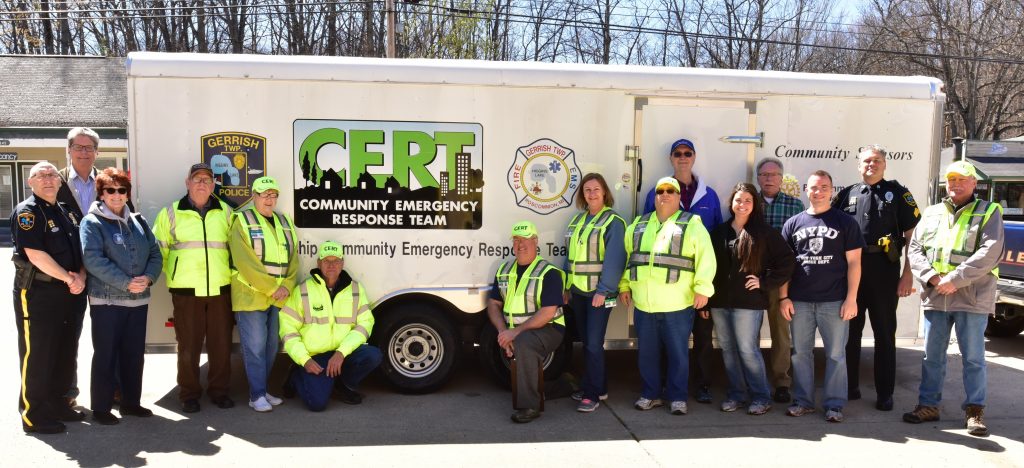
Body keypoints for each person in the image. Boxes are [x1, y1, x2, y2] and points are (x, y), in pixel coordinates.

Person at [903, 161, 1004, 437]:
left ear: (974, 183)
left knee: (973, 358)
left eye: (962, 179)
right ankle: (928, 405)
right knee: (931, 357)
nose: (955, 184)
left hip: (972, 297)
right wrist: (933, 278)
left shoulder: (989, 211)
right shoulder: (933, 212)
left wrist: (954, 280)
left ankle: (974, 411)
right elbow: (915, 248)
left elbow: (990, 251)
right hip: (936, 295)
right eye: (951, 180)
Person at [832, 145, 921, 411]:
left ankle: (885, 393)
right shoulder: (847, 194)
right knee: (850, 332)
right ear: (859, 165)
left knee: (884, 334)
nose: (871, 165)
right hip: (851, 274)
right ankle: (850, 387)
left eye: (877, 161)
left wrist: (908, 276)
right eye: (866, 161)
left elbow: (913, 238)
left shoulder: (898, 194)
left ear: (885, 165)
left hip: (884, 272)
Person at [622, 176, 716, 416]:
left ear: (678, 197)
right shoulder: (637, 225)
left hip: (677, 304)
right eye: (660, 191)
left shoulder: (692, 224)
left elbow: (706, 259)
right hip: (644, 304)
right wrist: (624, 285)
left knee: (678, 354)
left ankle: (677, 397)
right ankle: (650, 394)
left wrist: (703, 289)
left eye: (670, 191)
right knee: (648, 354)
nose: (665, 194)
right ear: (654, 197)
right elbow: (628, 258)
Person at [642, 138, 722, 403]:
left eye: (688, 153)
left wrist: (708, 288)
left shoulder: (708, 195)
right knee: (668, 342)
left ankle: (701, 385)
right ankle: (665, 389)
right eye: (678, 153)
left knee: (701, 338)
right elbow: (644, 231)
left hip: (697, 286)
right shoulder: (657, 192)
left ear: (694, 157)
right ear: (671, 158)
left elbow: (717, 241)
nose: (683, 157)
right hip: (669, 291)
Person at [79, 168, 162, 425]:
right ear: (102, 194)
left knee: (133, 354)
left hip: (139, 301)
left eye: (121, 190)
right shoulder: (91, 222)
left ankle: (130, 403)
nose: (116, 195)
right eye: (110, 190)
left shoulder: (139, 221)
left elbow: (156, 254)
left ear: (128, 194)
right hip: (107, 301)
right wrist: (127, 283)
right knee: (106, 354)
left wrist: (147, 278)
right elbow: (93, 260)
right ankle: (101, 408)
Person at [780, 170, 863, 423]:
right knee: (800, 353)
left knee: (836, 354)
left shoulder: (845, 223)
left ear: (832, 190)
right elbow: (784, 266)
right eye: (814, 187)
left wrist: (851, 299)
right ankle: (803, 401)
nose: (819, 192)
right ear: (807, 190)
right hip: (800, 301)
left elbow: (855, 263)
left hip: (834, 301)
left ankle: (834, 405)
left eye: (824, 187)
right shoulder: (793, 223)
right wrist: (784, 297)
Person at [11, 162, 88, 434]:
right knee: (38, 353)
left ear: (59, 181)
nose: (48, 179)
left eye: (52, 175)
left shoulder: (66, 212)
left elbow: (81, 249)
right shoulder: (27, 213)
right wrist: (70, 279)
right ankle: (34, 414)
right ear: (30, 183)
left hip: (71, 293)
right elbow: (34, 254)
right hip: (38, 293)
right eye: (40, 175)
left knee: (65, 350)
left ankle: (58, 404)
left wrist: (80, 276)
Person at [153, 163, 234, 413]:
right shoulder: (170, 214)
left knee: (221, 345)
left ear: (213, 185)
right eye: (197, 179)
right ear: (187, 182)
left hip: (221, 289)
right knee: (188, 346)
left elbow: (237, 252)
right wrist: (177, 275)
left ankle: (219, 391)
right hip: (186, 291)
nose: (202, 183)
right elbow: (160, 252)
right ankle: (188, 394)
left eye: (207, 180)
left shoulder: (227, 213)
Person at [708, 183, 794, 415]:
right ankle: (736, 394)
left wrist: (764, 282)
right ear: (731, 203)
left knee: (747, 349)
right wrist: (706, 299)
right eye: (738, 200)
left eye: (748, 200)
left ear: (754, 204)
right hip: (719, 302)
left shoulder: (763, 233)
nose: (742, 204)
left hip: (748, 303)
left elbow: (787, 261)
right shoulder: (719, 232)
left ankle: (761, 397)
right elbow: (708, 267)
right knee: (728, 349)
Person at [279, 241, 383, 412]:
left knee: (373, 355)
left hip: (343, 353)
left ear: (342, 263)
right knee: (317, 404)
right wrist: (304, 360)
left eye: (336, 261)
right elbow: (288, 330)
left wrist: (342, 352)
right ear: (319, 264)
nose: (331, 265)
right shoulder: (303, 290)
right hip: (315, 356)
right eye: (327, 261)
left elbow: (365, 324)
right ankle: (296, 375)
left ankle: (342, 384)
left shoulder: (355, 289)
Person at [229, 176, 299, 413]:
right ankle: (256, 394)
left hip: (278, 298)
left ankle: (263, 390)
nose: (269, 199)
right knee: (255, 347)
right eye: (263, 194)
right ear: (254, 196)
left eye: (273, 194)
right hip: (251, 296)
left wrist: (287, 286)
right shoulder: (242, 220)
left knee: (270, 347)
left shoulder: (284, 221)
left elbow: (294, 259)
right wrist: (272, 288)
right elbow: (245, 262)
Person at [487, 221, 568, 423]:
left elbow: (548, 312)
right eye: (516, 240)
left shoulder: (549, 272)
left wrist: (515, 334)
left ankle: (530, 406)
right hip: (518, 330)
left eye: (525, 240)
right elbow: (493, 304)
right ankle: (561, 385)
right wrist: (503, 332)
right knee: (519, 342)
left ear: (536, 242)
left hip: (550, 329)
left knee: (524, 344)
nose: (520, 245)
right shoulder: (504, 270)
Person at [563, 173, 626, 413]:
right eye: (587, 190)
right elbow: (570, 258)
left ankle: (592, 396)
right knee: (587, 342)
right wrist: (567, 286)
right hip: (579, 291)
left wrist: (605, 290)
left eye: (596, 189)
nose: (591, 193)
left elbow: (615, 259)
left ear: (605, 192)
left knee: (593, 344)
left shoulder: (613, 222)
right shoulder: (577, 221)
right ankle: (597, 387)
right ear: (582, 194)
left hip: (601, 294)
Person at [755, 156, 804, 403]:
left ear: (781, 179)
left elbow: (799, 246)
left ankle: (782, 382)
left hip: (781, 280)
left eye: (773, 175)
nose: (768, 179)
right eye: (764, 175)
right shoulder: (749, 204)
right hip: (753, 279)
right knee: (749, 333)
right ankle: (752, 381)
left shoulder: (795, 207)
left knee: (781, 333)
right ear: (758, 178)